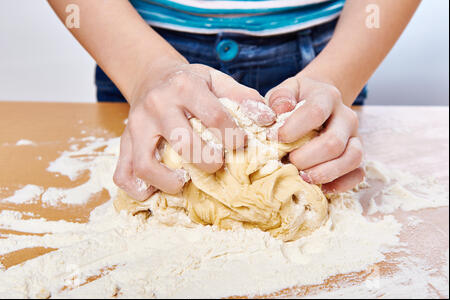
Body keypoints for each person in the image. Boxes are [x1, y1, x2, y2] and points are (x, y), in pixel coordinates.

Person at [48, 0, 421, 200]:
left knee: (316, 174)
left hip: (328, 53)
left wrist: (335, 77)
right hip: (133, 46)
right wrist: (145, 71)